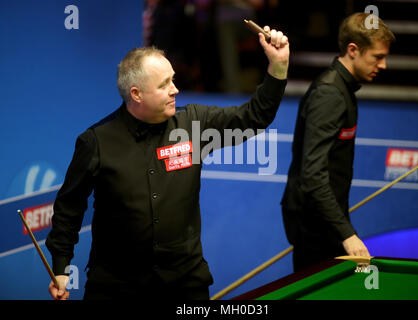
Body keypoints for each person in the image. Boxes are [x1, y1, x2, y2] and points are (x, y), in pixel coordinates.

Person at [46, 24, 289, 300]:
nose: (175, 89)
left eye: (172, 79)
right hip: (117, 286)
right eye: (164, 85)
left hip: (184, 284)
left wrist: (278, 67)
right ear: (136, 94)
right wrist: (61, 267)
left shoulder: (195, 124)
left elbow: (253, 118)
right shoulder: (96, 142)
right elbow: (69, 208)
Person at [281, 12, 395, 272]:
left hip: (325, 215)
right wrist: (346, 233)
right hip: (313, 222)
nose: (384, 65)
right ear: (353, 50)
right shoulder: (330, 96)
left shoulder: (343, 88)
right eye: (378, 57)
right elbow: (312, 174)